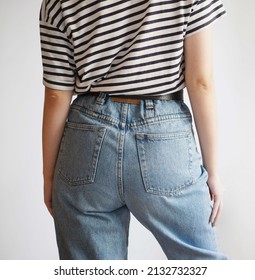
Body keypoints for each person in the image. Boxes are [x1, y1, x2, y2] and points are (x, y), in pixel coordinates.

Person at [40, 0, 227, 260]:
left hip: (86, 135)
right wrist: (213, 171)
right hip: (164, 135)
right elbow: (201, 82)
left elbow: (56, 95)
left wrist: (49, 176)